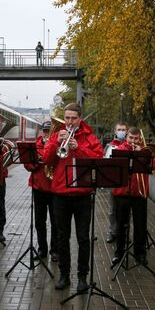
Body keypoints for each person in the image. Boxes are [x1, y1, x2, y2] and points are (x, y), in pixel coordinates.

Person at [43, 103, 103, 292]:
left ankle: (83, 277)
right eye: (67, 118)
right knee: (62, 237)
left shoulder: (90, 138)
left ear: (80, 119)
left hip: (83, 194)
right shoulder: (56, 136)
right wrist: (55, 143)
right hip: (60, 193)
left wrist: (79, 148)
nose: (69, 122)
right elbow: (46, 159)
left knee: (83, 238)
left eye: (73, 118)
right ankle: (64, 275)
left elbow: (98, 160)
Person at [111, 127, 155, 266]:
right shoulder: (120, 150)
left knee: (140, 226)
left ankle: (140, 253)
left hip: (139, 194)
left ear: (140, 139)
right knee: (121, 225)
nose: (133, 141)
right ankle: (119, 252)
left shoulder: (145, 151)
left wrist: (142, 155)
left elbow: (154, 164)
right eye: (131, 138)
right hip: (122, 193)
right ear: (126, 137)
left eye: (136, 139)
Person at [23, 121, 58, 262]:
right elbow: (28, 165)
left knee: (55, 222)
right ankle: (42, 249)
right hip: (38, 188)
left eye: (49, 131)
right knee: (39, 221)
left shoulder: (58, 145)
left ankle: (54, 250)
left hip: (55, 188)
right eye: (45, 131)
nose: (47, 133)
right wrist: (37, 161)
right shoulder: (35, 147)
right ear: (41, 132)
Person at [103, 122, 128, 244]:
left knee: (125, 211)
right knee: (113, 210)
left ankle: (124, 233)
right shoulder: (109, 146)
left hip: (127, 184)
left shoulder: (130, 144)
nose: (121, 131)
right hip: (113, 183)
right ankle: (113, 232)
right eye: (119, 129)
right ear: (115, 131)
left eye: (123, 129)